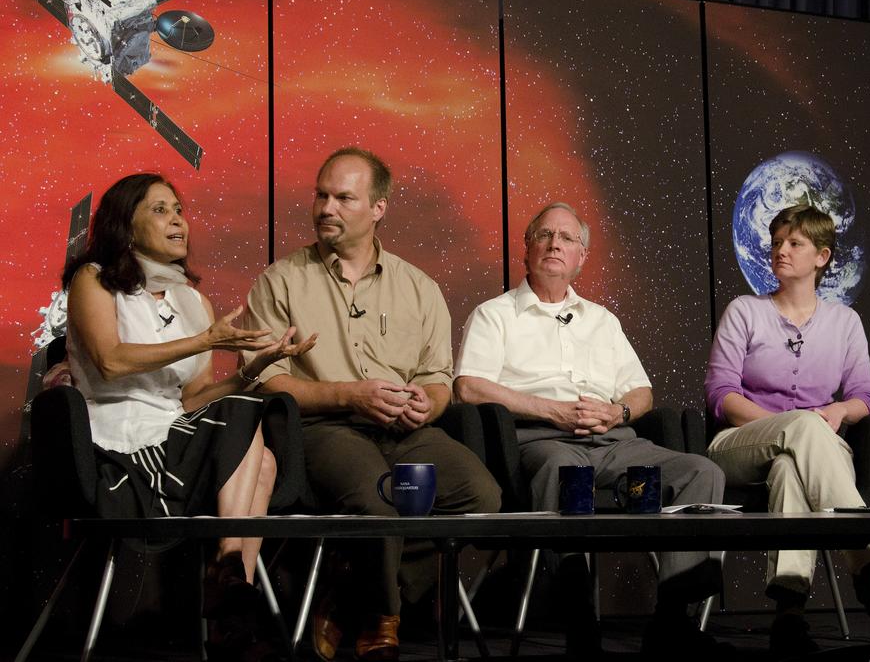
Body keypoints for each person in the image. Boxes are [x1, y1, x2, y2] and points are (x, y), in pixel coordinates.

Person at [242, 148, 501, 662]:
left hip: (405, 430)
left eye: (343, 197)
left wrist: (426, 405)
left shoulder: (419, 288)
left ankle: (346, 598)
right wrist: (348, 394)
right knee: (378, 498)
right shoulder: (282, 281)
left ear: (378, 208)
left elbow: (437, 378)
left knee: (480, 497)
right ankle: (382, 619)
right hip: (323, 428)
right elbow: (266, 380)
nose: (325, 208)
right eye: (321, 195)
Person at [455, 202, 730, 659]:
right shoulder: (495, 315)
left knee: (701, 473)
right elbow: (469, 387)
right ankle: (580, 623)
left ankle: (670, 620)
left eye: (566, 238)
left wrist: (618, 413)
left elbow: (641, 390)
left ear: (581, 257)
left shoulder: (603, 320)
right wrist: (551, 411)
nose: (555, 244)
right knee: (567, 474)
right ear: (527, 249)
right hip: (542, 443)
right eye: (544, 235)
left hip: (616, 445)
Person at [63, 173, 316, 660]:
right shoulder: (92, 280)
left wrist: (253, 371)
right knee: (254, 455)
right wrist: (206, 341)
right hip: (119, 443)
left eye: (178, 209)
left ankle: (229, 584)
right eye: (159, 209)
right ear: (124, 224)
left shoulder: (191, 301)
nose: (177, 219)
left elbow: (196, 398)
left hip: (174, 432)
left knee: (259, 449)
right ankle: (230, 588)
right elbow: (110, 361)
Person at [703, 203, 870, 657]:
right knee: (800, 431)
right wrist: (795, 423)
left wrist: (837, 413)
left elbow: (865, 397)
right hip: (737, 445)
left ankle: (789, 614)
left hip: (813, 452)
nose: (781, 251)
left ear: (822, 256)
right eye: (776, 243)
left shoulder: (845, 322)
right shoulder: (744, 311)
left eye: (794, 243)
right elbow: (720, 395)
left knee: (789, 470)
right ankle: (866, 563)